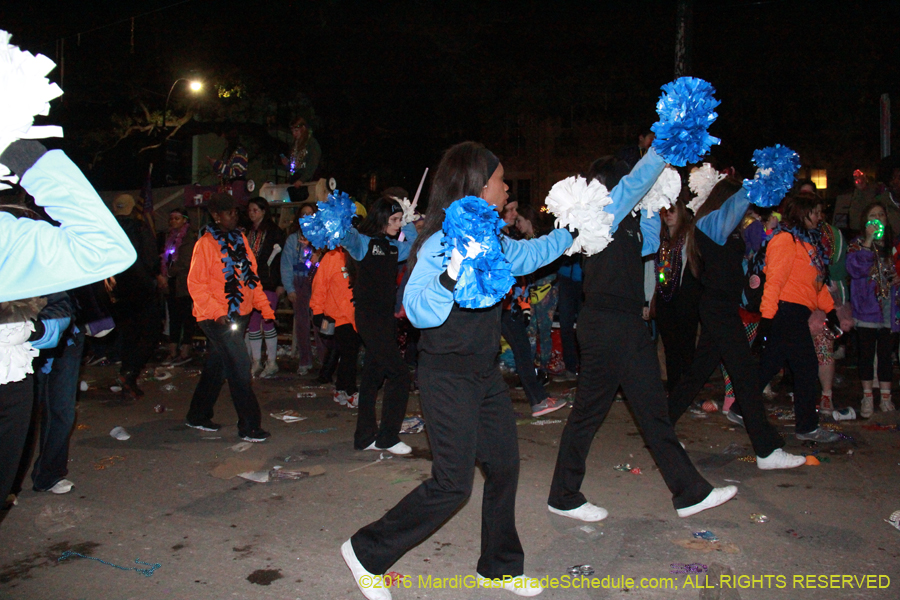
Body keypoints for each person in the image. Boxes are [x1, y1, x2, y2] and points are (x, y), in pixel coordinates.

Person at [342, 141, 573, 599]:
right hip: (446, 376)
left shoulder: (493, 239)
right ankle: (366, 551)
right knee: (452, 485)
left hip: (484, 374)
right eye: (500, 180)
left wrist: (577, 232)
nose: (506, 188)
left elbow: (530, 256)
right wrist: (451, 274)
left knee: (505, 466)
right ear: (477, 186)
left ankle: (500, 566)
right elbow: (416, 309)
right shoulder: (439, 242)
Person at [548, 151, 736, 527]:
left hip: (625, 324)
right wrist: (663, 151)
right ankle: (563, 495)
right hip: (605, 322)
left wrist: (653, 204)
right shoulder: (601, 211)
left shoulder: (628, 219)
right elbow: (633, 185)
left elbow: (649, 244)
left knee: (652, 413)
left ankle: (689, 492)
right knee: (589, 414)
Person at [0, 140, 136, 512]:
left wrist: (27, 158)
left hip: (23, 363)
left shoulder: (15, 234)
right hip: (25, 363)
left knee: (58, 409)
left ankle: (47, 473)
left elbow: (105, 252)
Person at [666, 177, 808, 466]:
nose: (746, 213)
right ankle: (766, 450)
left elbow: (739, 266)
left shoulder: (730, 232)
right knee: (744, 373)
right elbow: (739, 203)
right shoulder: (710, 224)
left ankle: (660, 429)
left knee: (697, 375)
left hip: (725, 308)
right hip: (717, 309)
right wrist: (761, 178)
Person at [184, 193, 274, 442]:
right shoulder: (205, 244)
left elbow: (251, 277)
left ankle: (197, 415)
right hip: (216, 318)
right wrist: (218, 312)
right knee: (239, 367)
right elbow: (196, 284)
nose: (235, 216)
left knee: (218, 365)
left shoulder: (240, 239)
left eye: (236, 211)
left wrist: (264, 307)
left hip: (240, 315)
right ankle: (249, 426)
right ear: (216, 216)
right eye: (229, 213)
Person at [756, 194, 841, 442]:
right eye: (815, 212)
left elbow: (816, 285)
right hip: (786, 311)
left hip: (796, 311)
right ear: (802, 213)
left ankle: (740, 407)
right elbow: (774, 282)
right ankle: (806, 427)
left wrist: (831, 310)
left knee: (769, 365)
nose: (819, 217)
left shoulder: (808, 244)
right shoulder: (785, 240)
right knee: (805, 368)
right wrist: (767, 318)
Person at [339, 193, 418, 455]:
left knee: (373, 377)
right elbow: (345, 237)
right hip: (369, 317)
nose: (397, 224)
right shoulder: (363, 243)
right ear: (382, 219)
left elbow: (415, 244)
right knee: (400, 374)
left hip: (385, 318)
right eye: (394, 220)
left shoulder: (394, 247)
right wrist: (338, 219)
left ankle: (364, 437)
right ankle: (387, 438)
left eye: (399, 220)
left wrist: (407, 219)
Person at [846, 201, 899, 418]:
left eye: (881, 215)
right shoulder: (857, 244)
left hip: (890, 308)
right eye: (872, 215)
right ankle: (867, 396)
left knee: (886, 354)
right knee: (866, 354)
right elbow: (855, 268)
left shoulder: (894, 246)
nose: (877, 219)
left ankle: (886, 397)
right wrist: (868, 241)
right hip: (866, 307)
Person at [110, 193, 161, 399]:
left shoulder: (109, 231)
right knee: (149, 333)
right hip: (141, 289)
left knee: (128, 334)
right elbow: (150, 259)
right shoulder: (140, 229)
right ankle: (130, 373)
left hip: (118, 290)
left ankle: (125, 372)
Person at [653, 193, 701, 392]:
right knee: (670, 347)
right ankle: (674, 388)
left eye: (672, 211)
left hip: (684, 299)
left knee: (686, 347)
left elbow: (692, 269)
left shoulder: (688, 236)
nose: (668, 215)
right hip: (665, 298)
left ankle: (686, 389)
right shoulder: (661, 240)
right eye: (664, 212)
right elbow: (654, 271)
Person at [310, 246, 361, 408]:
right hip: (338, 315)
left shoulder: (358, 253)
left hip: (356, 315)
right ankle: (350, 391)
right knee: (349, 353)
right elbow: (320, 285)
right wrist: (317, 310)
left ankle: (340, 390)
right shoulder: (331, 257)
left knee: (348, 353)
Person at [515, 205, 560, 377]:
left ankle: (543, 371)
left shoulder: (543, 239)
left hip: (546, 289)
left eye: (519, 220)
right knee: (529, 331)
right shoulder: (522, 242)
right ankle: (529, 372)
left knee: (544, 330)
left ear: (528, 219)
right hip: (530, 292)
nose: (517, 225)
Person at [245, 197, 286, 378]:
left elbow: (280, 261)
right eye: (250, 210)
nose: (252, 214)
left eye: (255, 210)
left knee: (267, 321)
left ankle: (271, 362)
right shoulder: (247, 233)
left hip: (268, 282)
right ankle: (256, 361)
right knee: (253, 324)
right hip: (250, 284)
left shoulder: (274, 232)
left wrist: (280, 283)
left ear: (263, 211)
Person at [281, 202, 321, 375]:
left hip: (318, 284)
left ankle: (324, 358)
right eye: (303, 214)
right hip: (300, 284)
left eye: (310, 214)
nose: (307, 217)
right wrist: (289, 288)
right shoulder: (292, 240)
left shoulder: (322, 239)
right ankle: (305, 359)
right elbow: (286, 265)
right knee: (302, 324)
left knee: (320, 322)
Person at [158, 207, 197, 366]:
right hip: (172, 284)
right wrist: (163, 274)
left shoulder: (189, 238)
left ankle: (185, 351)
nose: (173, 221)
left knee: (186, 317)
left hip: (184, 283)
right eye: (171, 218)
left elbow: (185, 262)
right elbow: (164, 258)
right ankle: (172, 350)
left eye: (177, 218)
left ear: (185, 220)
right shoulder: (169, 237)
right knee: (173, 317)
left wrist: (168, 273)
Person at [283, 116, 322, 202]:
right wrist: (287, 165)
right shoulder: (294, 145)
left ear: (303, 129)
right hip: (294, 180)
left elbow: (313, 164)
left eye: (296, 131)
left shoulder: (311, 143)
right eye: (292, 131)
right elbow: (294, 166)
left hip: (307, 182)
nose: (294, 134)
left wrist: (302, 180)